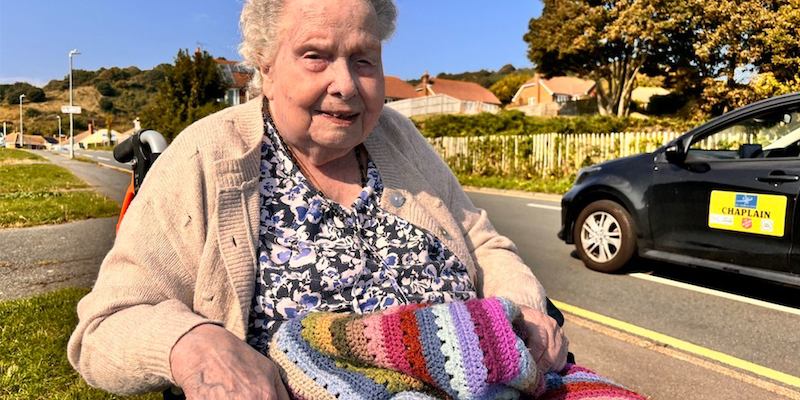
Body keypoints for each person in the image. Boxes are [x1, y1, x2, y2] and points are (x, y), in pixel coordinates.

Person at [68, 0, 568, 398]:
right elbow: (106, 325)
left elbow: (482, 242)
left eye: (364, 60)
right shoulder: (207, 154)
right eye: (316, 56)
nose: (346, 85)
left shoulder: (399, 138)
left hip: (486, 375)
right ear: (265, 66)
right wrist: (195, 346)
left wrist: (526, 309)